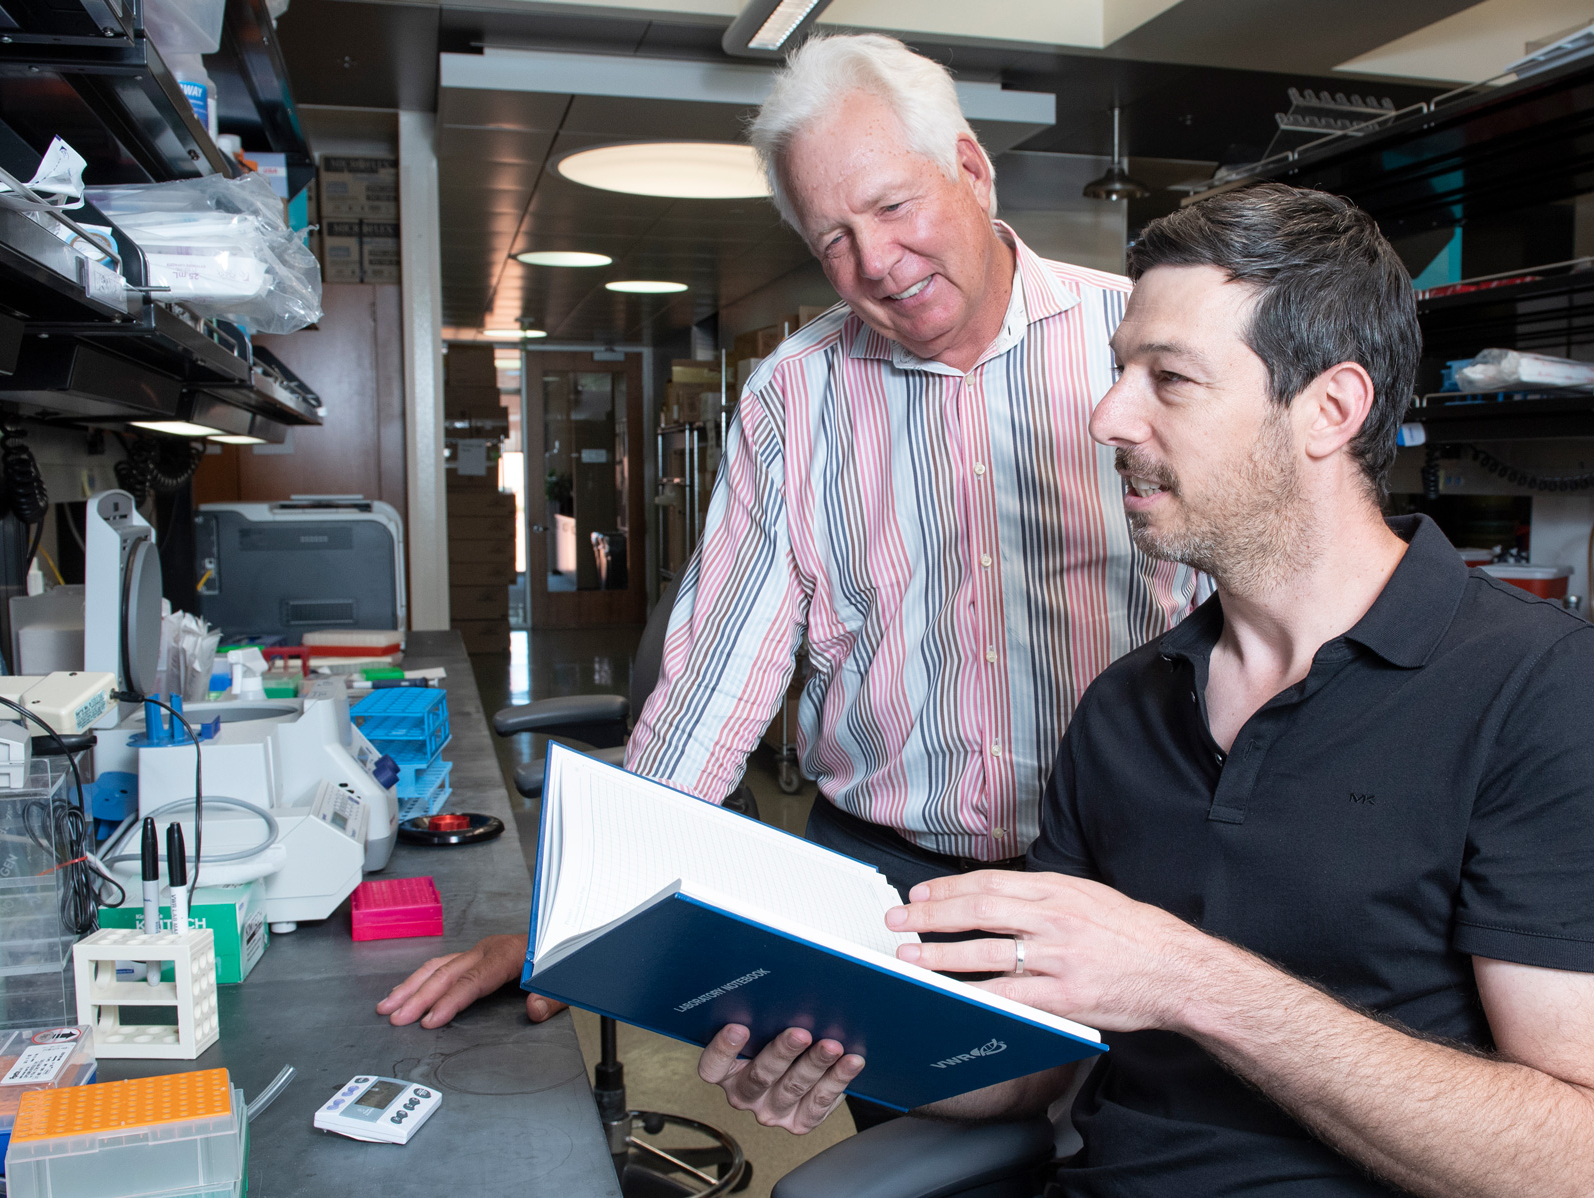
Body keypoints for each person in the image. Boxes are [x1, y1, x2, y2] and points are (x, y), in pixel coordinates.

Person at [695, 182, 1594, 1193]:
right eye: (1121, 369)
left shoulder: (1546, 696)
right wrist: (851, 1030)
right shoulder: (1125, 706)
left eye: (1169, 379)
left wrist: (1185, 978)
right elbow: (1038, 1072)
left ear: (1330, 410)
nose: (1107, 414)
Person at [377, 28, 1207, 1081]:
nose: (876, 264)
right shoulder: (794, 392)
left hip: (1131, 879)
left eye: (895, 207)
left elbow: (1260, 613)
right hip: (892, 894)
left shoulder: (1138, 339)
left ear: (970, 166)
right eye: (833, 240)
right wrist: (570, 922)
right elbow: (716, 684)